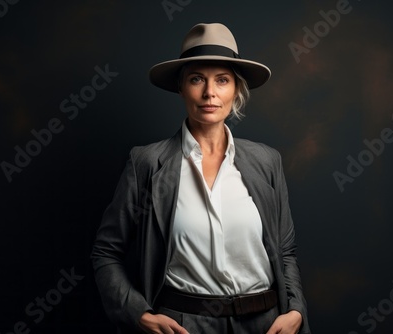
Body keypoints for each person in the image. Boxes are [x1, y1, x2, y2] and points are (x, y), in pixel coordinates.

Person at [91, 23, 311, 334]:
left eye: (222, 80)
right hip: (184, 325)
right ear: (181, 87)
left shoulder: (266, 161)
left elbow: (286, 251)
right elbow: (106, 252)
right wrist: (139, 313)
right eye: (197, 79)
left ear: (236, 89)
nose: (210, 93)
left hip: (265, 324)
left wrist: (296, 310)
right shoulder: (147, 163)